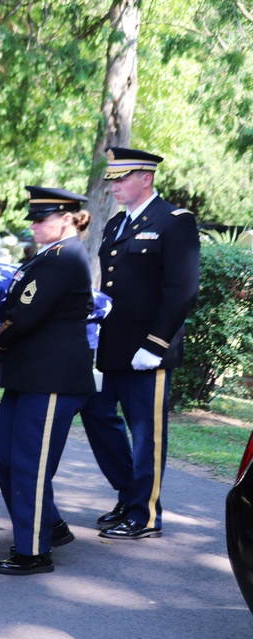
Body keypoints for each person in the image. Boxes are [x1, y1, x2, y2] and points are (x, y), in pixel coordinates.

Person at [80, 147, 200, 540]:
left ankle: (145, 515)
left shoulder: (174, 222)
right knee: (96, 413)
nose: (113, 184)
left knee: (146, 433)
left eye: (122, 178)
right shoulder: (117, 224)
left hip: (150, 350)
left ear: (146, 178)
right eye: (112, 178)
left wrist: (157, 343)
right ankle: (129, 494)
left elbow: (181, 290)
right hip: (114, 346)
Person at [0, 187, 96, 575]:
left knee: (30, 463)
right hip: (31, 373)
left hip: (52, 377)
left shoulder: (63, 258)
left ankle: (33, 552)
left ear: (66, 219)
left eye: (41, 218)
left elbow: (25, 313)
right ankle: (51, 525)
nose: (33, 225)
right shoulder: (49, 257)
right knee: (1, 452)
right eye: (33, 218)